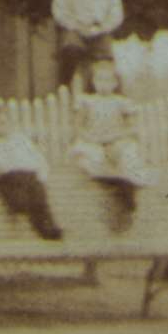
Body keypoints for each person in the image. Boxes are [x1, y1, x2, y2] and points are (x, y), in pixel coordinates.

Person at [69, 57, 155, 228]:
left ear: (115, 83)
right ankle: (114, 178)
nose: (103, 84)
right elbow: (78, 127)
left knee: (127, 153)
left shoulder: (121, 102)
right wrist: (90, 138)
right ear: (93, 81)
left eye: (108, 80)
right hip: (93, 141)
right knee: (87, 156)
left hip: (115, 140)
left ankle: (124, 183)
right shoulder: (87, 101)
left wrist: (114, 138)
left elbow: (132, 128)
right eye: (99, 79)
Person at [0, 102, 62, 241]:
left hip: (29, 174)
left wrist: (42, 175)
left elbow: (38, 157)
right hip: (6, 176)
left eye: (3, 123)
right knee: (21, 201)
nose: (0, 127)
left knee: (39, 198)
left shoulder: (20, 139)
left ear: (9, 122)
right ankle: (25, 211)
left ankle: (48, 227)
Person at [51, 0, 125, 88]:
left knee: (105, 60)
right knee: (70, 50)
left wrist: (103, 27)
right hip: (75, 28)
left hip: (99, 29)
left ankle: (105, 92)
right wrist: (74, 25)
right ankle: (64, 86)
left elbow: (116, 12)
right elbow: (59, 9)